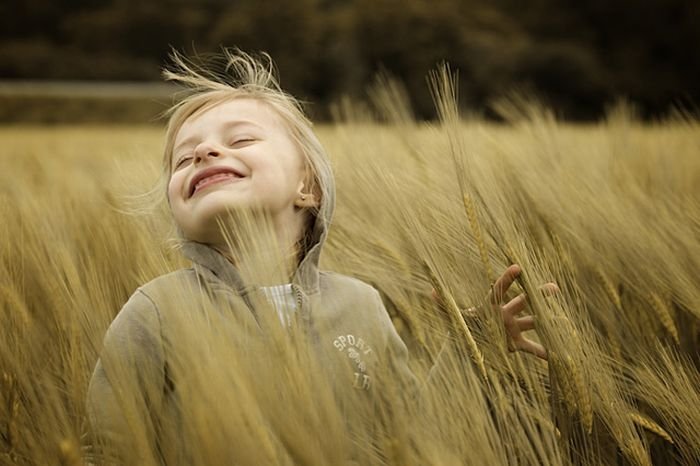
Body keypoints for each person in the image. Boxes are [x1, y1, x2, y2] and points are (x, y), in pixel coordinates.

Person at [86, 49, 556, 464]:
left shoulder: (362, 306)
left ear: (307, 187)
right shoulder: (156, 312)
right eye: (184, 159)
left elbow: (408, 430)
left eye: (242, 140)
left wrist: (469, 345)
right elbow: (107, 450)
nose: (205, 152)